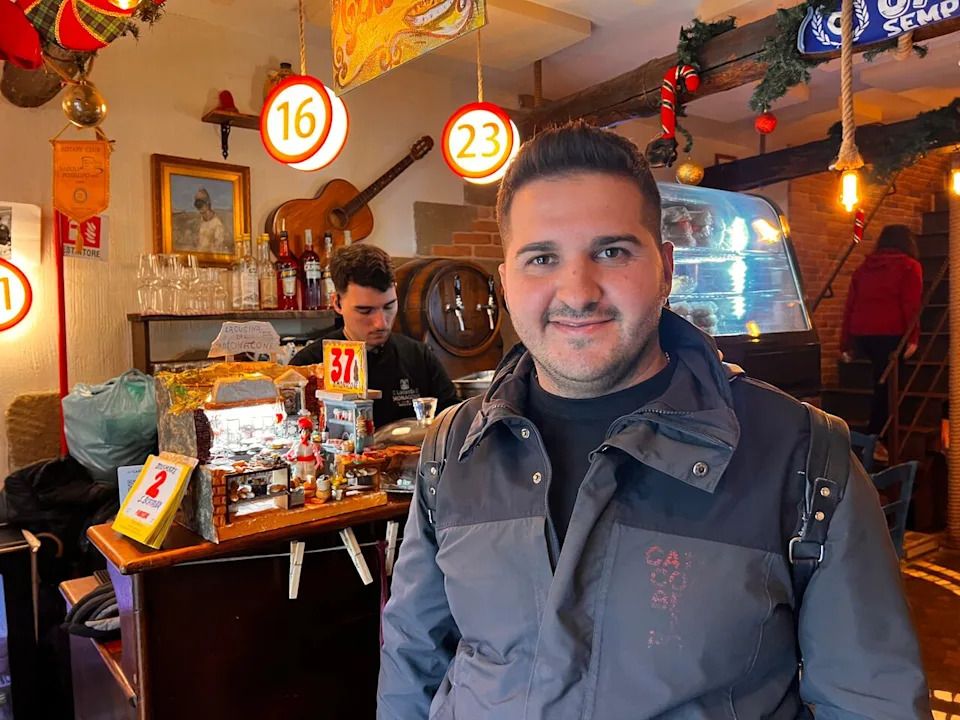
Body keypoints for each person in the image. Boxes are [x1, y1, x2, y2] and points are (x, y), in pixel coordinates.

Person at [378, 123, 929, 719]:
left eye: (612, 252)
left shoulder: (804, 460)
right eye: (541, 258)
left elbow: (874, 704)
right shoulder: (452, 452)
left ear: (665, 268)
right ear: (507, 280)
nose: (577, 290)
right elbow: (413, 664)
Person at [291, 243, 459, 427]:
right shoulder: (307, 365)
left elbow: (454, 425)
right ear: (337, 303)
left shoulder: (419, 357)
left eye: (389, 306)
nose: (381, 323)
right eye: (365, 310)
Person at [840, 224, 923, 462]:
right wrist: (913, 338)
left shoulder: (864, 268)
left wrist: (846, 344)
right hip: (890, 333)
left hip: (862, 334)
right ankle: (876, 439)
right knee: (887, 385)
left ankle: (870, 438)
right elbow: (911, 305)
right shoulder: (909, 266)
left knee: (880, 380)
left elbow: (850, 306)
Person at [193, 188, 226, 253]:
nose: (199, 207)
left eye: (200, 203)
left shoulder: (217, 224)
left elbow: (218, 247)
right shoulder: (200, 222)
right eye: (197, 204)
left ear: (207, 203)